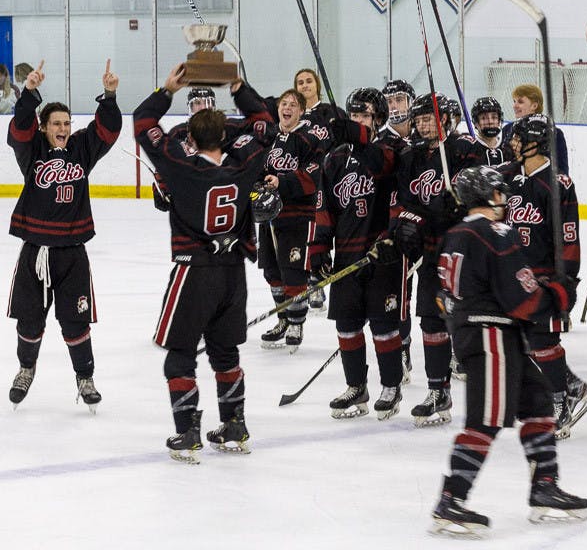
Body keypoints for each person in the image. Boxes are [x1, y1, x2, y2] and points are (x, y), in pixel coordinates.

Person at [430, 165, 587, 538]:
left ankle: (544, 486)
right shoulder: (495, 232)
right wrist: (558, 295)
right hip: (492, 337)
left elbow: (444, 295)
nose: (505, 200)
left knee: (538, 403)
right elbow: (523, 297)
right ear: (488, 196)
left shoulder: (455, 234)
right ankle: (451, 498)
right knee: (485, 420)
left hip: (483, 334)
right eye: (499, 193)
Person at [134, 65, 270, 462]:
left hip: (194, 271)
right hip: (233, 273)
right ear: (225, 136)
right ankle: (234, 424)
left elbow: (144, 123)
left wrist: (168, 89)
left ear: (190, 139)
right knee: (224, 351)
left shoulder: (180, 165)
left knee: (180, 352)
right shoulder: (244, 162)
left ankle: (187, 431)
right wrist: (239, 86)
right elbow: (263, 123)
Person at [5, 60, 120, 411]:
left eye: (67, 123)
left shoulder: (82, 150)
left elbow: (108, 129)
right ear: (44, 128)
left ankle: (85, 378)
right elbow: (18, 128)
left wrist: (110, 96)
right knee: (29, 320)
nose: (64, 128)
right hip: (35, 253)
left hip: (71, 253)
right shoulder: (32, 151)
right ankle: (26, 369)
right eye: (56, 123)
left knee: (76, 321)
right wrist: (29, 93)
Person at [312, 88, 407, 420]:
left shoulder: (393, 149)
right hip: (347, 255)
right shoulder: (335, 159)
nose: (357, 121)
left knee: (383, 325)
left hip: (381, 253)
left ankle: (391, 386)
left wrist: (355, 134)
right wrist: (319, 249)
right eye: (353, 116)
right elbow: (324, 208)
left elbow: (380, 165)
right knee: (347, 324)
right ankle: (357, 386)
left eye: (364, 115)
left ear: (378, 118)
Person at [503, 113, 587, 439]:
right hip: (517, 274)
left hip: (545, 275)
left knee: (543, 340)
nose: (513, 143)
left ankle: (560, 404)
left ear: (535, 143)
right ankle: (572, 385)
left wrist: (565, 279)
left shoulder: (557, 184)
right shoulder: (511, 179)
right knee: (523, 341)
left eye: (519, 138)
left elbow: (569, 236)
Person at [390, 92, 479, 426]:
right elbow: (405, 203)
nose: (425, 124)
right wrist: (406, 227)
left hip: (462, 254)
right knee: (430, 319)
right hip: (429, 252)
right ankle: (438, 390)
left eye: (431, 118)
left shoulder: (464, 149)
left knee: (471, 321)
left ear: (448, 119)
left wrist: (464, 201)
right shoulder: (411, 156)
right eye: (421, 118)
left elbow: (484, 194)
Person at [256, 89, 325, 351]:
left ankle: (297, 322)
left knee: (293, 271)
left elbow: (314, 172)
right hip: (270, 215)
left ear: (301, 111)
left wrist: (281, 182)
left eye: (293, 105)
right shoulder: (270, 139)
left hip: (298, 216)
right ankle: (283, 318)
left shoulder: (308, 138)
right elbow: (257, 169)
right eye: (283, 103)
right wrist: (258, 187)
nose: (287, 108)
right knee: (272, 271)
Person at [378, 79, 418, 382]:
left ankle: (454, 351)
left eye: (400, 99)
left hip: (426, 226)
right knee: (400, 294)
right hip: (394, 229)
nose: (395, 106)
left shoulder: (427, 136)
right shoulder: (379, 143)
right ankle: (402, 349)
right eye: (390, 101)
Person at [502, 84, 569, 174]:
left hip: (542, 185)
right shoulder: (508, 129)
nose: (515, 105)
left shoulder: (554, 133)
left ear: (534, 106)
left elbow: (562, 170)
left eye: (520, 102)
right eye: (514, 101)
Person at [469, 96, 514, 166]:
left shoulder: (509, 147)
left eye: (494, 117)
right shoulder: (468, 148)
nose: (490, 121)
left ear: (499, 120)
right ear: (476, 122)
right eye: (484, 118)